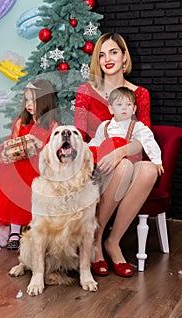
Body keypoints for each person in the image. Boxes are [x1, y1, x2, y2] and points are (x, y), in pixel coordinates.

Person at [74, 32, 158, 277]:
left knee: (148, 169)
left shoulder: (139, 94)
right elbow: (80, 136)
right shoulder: (86, 91)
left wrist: (120, 151)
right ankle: (95, 241)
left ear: (124, 57)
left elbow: (142, 139)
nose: (107, 59)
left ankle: (112, 241)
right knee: (122, 167)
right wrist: (103, 155)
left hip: (127, 158)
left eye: (113, 52)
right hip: (96, 164)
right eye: (101, 55)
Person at [0, 79, 59, 250]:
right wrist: (6, 153)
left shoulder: (52, 125)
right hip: (19, 165)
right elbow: (12, 142)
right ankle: (15, 231)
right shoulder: (21, 122)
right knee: (14, 190)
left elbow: (54, 150)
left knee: (35, 196)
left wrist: (40, 143)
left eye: (34, 101)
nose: (29, 104)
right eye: (27, 100)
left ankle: (33, 228)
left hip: (40, 169)